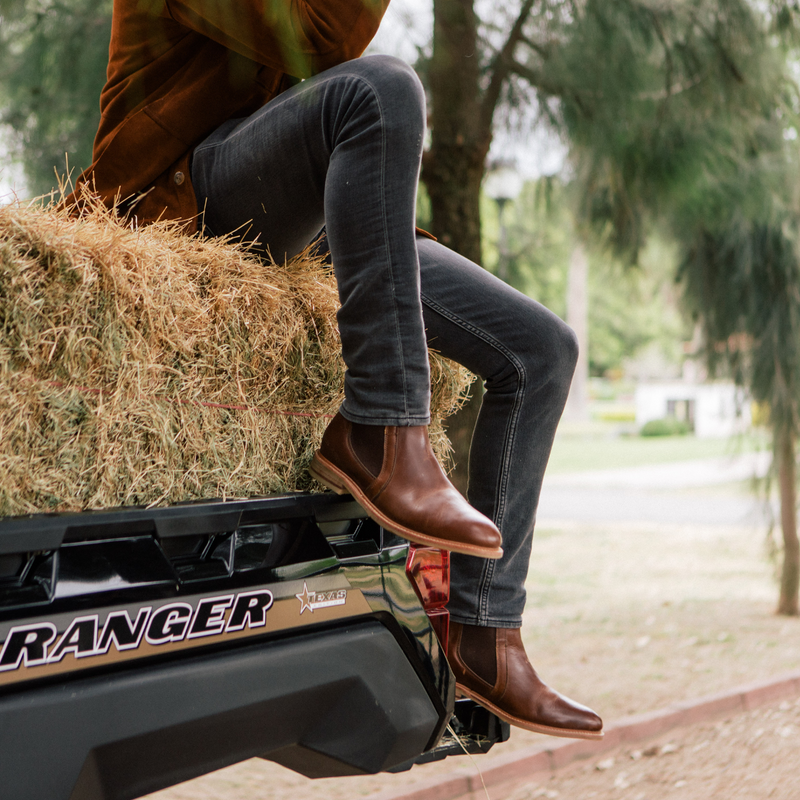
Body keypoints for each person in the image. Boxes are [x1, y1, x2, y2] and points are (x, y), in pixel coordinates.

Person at [71, 0, 603, 740]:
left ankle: (488, 631)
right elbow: (323, 43)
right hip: (177, 200)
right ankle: (381, 427)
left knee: (542, 349)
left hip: (302, 214)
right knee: (379, 88)